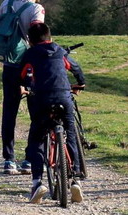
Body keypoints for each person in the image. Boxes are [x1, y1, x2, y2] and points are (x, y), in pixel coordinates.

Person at [18, 22, 87, 204]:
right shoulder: (59, 51)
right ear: (50, 38)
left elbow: (23, 75)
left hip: (42, 99)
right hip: (64, 97)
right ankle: (76, 179)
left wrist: (26, 87)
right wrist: (80, 82)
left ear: (30, 41)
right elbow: (75, 67)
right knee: (70, 133)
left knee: (37, 138)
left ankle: (37, 182)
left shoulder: (30, 53)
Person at [0, 0, 46, 175]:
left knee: (9, 111)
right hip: (29, 66)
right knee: (36, 112)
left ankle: (8, 159)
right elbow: (38, 36)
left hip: (9, 64)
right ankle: (29, 158)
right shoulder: (36, 9)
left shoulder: (6, 3)